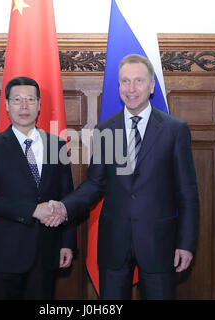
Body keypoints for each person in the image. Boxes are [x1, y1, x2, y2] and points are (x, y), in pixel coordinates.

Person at [49, 54, 200, 300]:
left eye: (138, 81)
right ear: (118, 86)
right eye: (125, 81)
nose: (131, 89)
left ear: (151, 86)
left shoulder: (175, 130)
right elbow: (95, 184)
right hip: (114, 243)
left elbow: (187, 194)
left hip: (159, 244)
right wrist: (64, 208)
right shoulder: (105, 130)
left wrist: (186, 243)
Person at [0, 76, 76, 300]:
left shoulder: (56, 144)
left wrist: (67, 244)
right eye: (17, 100)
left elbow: (67, 196)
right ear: (7, 105)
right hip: (4, 253)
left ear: (39, 105)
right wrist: (32, 210)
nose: (24, 106)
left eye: (30, 99)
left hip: (46, 252)